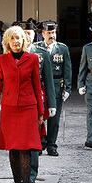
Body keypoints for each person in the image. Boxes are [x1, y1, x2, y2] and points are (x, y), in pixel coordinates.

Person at [0, 26, 44, 183]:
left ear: (24, 41)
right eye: (12, 38)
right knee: (13, 148)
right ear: (7, 41)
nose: (16, 42)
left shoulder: (32, 59)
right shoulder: (1, 60)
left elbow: (37, 85)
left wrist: (41, 112)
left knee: (26, 148)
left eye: (19, 38)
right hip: (9, 108)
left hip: (28, 107)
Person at [18, 21, 56, 183]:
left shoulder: (41, 53)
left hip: (35, 100)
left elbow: (48, 81)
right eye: (24, 33)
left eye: (30, 33)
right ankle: (19, 172)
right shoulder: (11, 53)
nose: (27, 36)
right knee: (18, 139)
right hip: (17, 101)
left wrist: (52, 104)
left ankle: (31, 175)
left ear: (36, 35)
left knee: (33, 138)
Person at [36, 21, 72, 156]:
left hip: (57, 86)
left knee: (54, 118)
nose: (52, 35)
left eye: (53, 32)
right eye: (49, 33)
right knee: (39, 115)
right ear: (43, 33)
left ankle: (52, 144)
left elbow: (67, 69)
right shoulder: (36, 48)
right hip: (41, 87)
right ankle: (39, 143)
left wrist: (67, 88)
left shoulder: (62, 48)